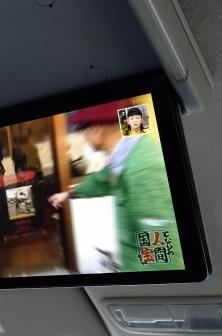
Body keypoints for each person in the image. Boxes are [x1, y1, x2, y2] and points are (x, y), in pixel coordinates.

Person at [48, 101, 183, 271]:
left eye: (82, 130)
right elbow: (102, 179)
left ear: (97, 131)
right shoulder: (127, 154)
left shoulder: (144, 168)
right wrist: (69, 194)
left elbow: (160, 255)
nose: (84, 138)